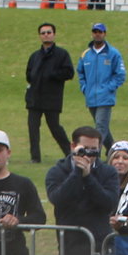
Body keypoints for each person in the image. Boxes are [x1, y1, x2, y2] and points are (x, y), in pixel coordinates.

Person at [45, 125, 120, 255]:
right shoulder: (57, 172)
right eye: (85, 149)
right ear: (73, 146)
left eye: (95, 150)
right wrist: (77, 173)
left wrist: (88, 177)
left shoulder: (108, 172)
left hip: (100, 252)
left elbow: (109, 203)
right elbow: (58, 199)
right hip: (69, 252)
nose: (90, 155)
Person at [25, 21, 75, 163]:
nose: (46, 35)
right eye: (43, 33)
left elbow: (69, 72)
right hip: (34, 98)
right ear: (39, 36)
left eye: (49, 32)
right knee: (33, 129)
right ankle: (35, 157)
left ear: (54, 35)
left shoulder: (61, 54)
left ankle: (69, 153)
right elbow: (29, 73)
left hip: (52, 98)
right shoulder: (35, 56)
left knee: (55, 128)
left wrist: (52, 75)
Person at [76, 23, 126, 151]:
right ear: (92, 33)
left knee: (100, 127)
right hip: (91, 97)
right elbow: (80, 72)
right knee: (103, 127)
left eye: (100, 32)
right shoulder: (85, 54)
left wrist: (108, 88)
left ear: (105, 34)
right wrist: (84, 88)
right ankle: (112, 151)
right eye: (95, 31)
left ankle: (94, 154)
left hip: (105, 97)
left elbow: (120, 75)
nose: (97, 34)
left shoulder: (113, 53)